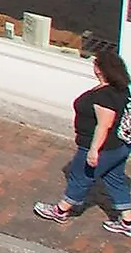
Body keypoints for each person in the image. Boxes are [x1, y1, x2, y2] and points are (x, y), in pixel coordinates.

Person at [34, 42, 131, 236]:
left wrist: (94, 151)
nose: (93, 67)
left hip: (102, 147)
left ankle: (60, 210)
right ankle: (128, 221)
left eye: (95, 64)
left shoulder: (104, 97)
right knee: (114, 179)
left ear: (100, 69)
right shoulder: (119, 90)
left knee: (81, 176)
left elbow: (104, 125)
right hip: (119, 147)